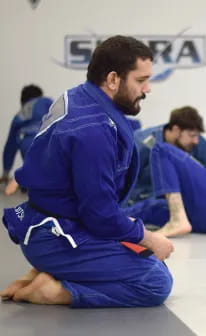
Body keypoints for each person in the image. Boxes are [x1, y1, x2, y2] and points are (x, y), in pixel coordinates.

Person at [0, 35, 174, 308]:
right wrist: (148, 237)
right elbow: (100, 214)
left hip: (54, 226)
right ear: (113, 79)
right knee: (155, 280)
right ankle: (52, 291)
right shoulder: (93, 130)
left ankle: (46, 273)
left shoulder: (78, 97)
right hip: (56, 237)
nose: (148, 88)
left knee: (148, 259)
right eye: (141, 80)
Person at [130, 106, 206, 202]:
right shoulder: (142, 143)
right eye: (192, 135)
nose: (196, 141)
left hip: (174, 198)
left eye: (197, 136)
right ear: (176, 130)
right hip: (141, 201)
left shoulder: (193, 142)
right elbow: (122, 182)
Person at [1, 85, 53, 195]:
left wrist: (5, 172)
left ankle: (28, 183)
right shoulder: (47, 101)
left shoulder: (20, 114)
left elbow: (10, 147)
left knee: (32, 166)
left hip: (28, 143)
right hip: (49, 141)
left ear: (22, 100)